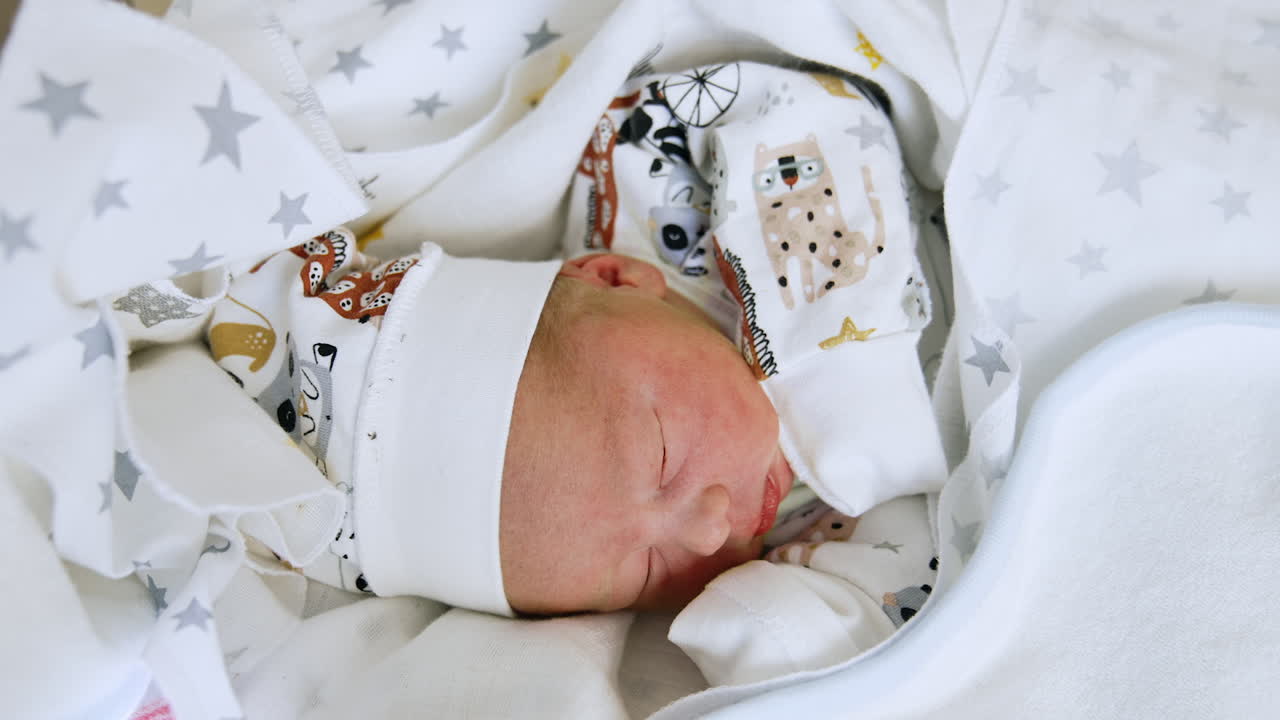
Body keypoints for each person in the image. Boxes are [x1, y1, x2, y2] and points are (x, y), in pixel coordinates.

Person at [200, 61, 946, 618]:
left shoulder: (650, 180)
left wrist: (839, 368)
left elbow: (798, 109)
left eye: (663, 456)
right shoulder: (767, 543)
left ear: (615, 278)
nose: (708, 528)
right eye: (645, 571)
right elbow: (911, 578)